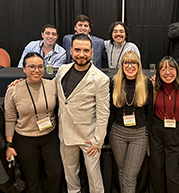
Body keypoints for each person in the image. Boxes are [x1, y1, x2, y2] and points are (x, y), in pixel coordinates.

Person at [56, 33, 109, 193]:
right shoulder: (62, 71)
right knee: (70, 176)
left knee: (95, 180)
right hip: (65, 135)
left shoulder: (101, 79)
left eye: (85, 50)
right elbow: (51, 88)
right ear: (71, 50)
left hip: (89, 138)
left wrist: (98, 140)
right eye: (77, 50)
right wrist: (24, 83)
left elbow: (103, 113)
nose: (81, 54)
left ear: (92, 52)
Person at [5, 52, 62, 193]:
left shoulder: (52, 85)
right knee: (32, 178)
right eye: (31, 67)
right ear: (24, 69)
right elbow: (10, 119)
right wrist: (9, 145)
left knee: (55, 172)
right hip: (25, 139)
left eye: (40, 66)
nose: (36, 70)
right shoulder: (13, 90)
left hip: (50, 137)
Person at [108, 51, 153, 192]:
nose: (130, 66)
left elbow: (150, 111)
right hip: (117, 133)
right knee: (121, 171)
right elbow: (110, 110)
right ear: (121, 65)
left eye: (133, 63)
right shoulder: (115, 82)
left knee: (129, 175)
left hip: (139, 135)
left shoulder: (146, 83)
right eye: (126, 63)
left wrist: (147, 132)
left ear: (139, 65)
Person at [149, 56, 179, 193]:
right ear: (158, 72)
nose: (167, 72)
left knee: (172, 173)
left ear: (177, 70)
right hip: (157, 132)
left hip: (176, 132)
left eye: (171, 68)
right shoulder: (154, 86)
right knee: (157, 169)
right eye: (163, 69)